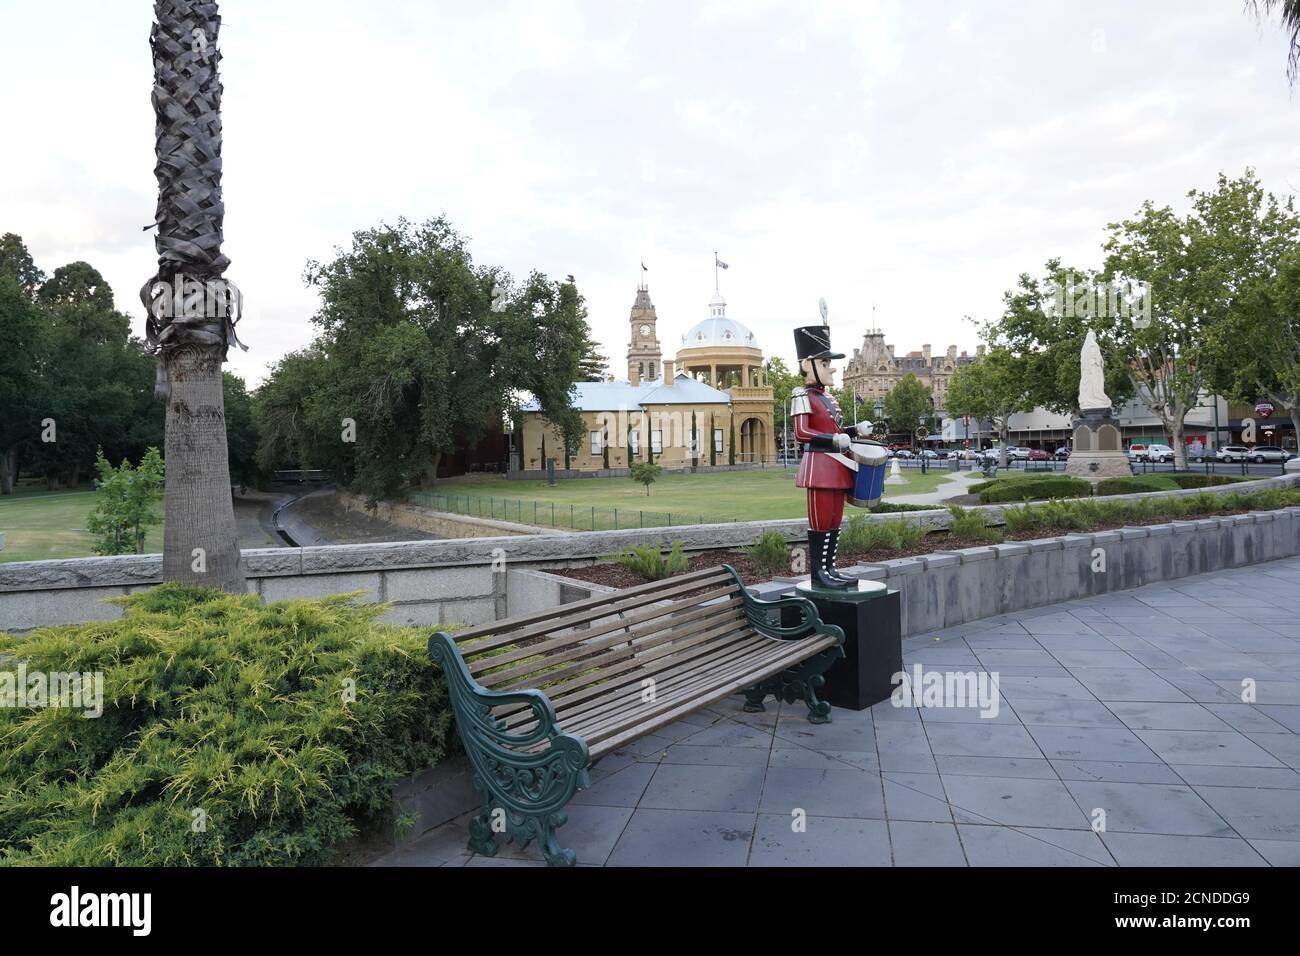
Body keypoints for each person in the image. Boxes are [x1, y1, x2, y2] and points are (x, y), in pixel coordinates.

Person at [791, 323, 877, 589]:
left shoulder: (827, 398)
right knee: (821, 521)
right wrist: (833, 439)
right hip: (818, 467)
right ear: (808, 365)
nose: (832, 368)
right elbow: (802, 432)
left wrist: (854, 430)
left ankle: (830, 568)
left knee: (834, 520)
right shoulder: (802, 396)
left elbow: (836, 430)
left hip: (837, 466)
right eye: (825, 362)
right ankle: (819, 573)